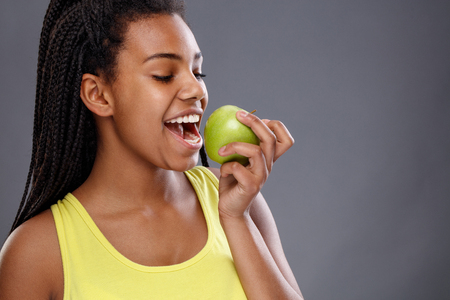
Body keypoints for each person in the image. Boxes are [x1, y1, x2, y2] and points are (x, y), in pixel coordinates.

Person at [0, 0, 304, 299]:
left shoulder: (239, 202)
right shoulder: (36, 253)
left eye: (198, 72)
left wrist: (236, 219)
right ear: (99, 95)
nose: (198, 90)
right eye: (164, 75)